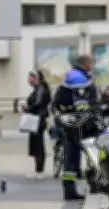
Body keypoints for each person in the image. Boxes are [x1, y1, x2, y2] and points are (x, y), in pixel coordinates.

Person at [52, 54, 98, 201]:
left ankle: (70, 190)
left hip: (69, 124)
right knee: (91, 154)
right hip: (81, 125)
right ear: (86, 64)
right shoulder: (81, 80)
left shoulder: (70, 77)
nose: (92, 66)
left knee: (71, 159)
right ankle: (92, 186)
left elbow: (56, 103)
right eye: (91, 63)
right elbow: (87, 103)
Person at [22, 70, 51, 179]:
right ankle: (38, 170)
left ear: (36, 78)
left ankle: (40, 171)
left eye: (30, 77)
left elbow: (38, 103)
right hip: (37, 120)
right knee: (36, 145)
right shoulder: (38, 89)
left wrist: (28, 108)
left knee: (38, 145)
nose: (28, 80)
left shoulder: (40, 89)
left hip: (37, 120)